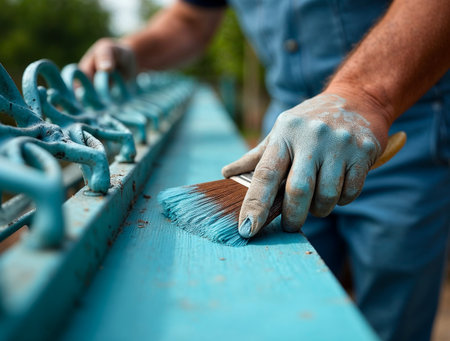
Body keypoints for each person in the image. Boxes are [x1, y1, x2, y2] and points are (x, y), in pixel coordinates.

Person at [79, 1, 450, 340]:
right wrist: (134, 50)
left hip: (398, 115)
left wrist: (365, 95)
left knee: (390, 316)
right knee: (290, 309)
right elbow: (191, 19)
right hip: (286, 133)